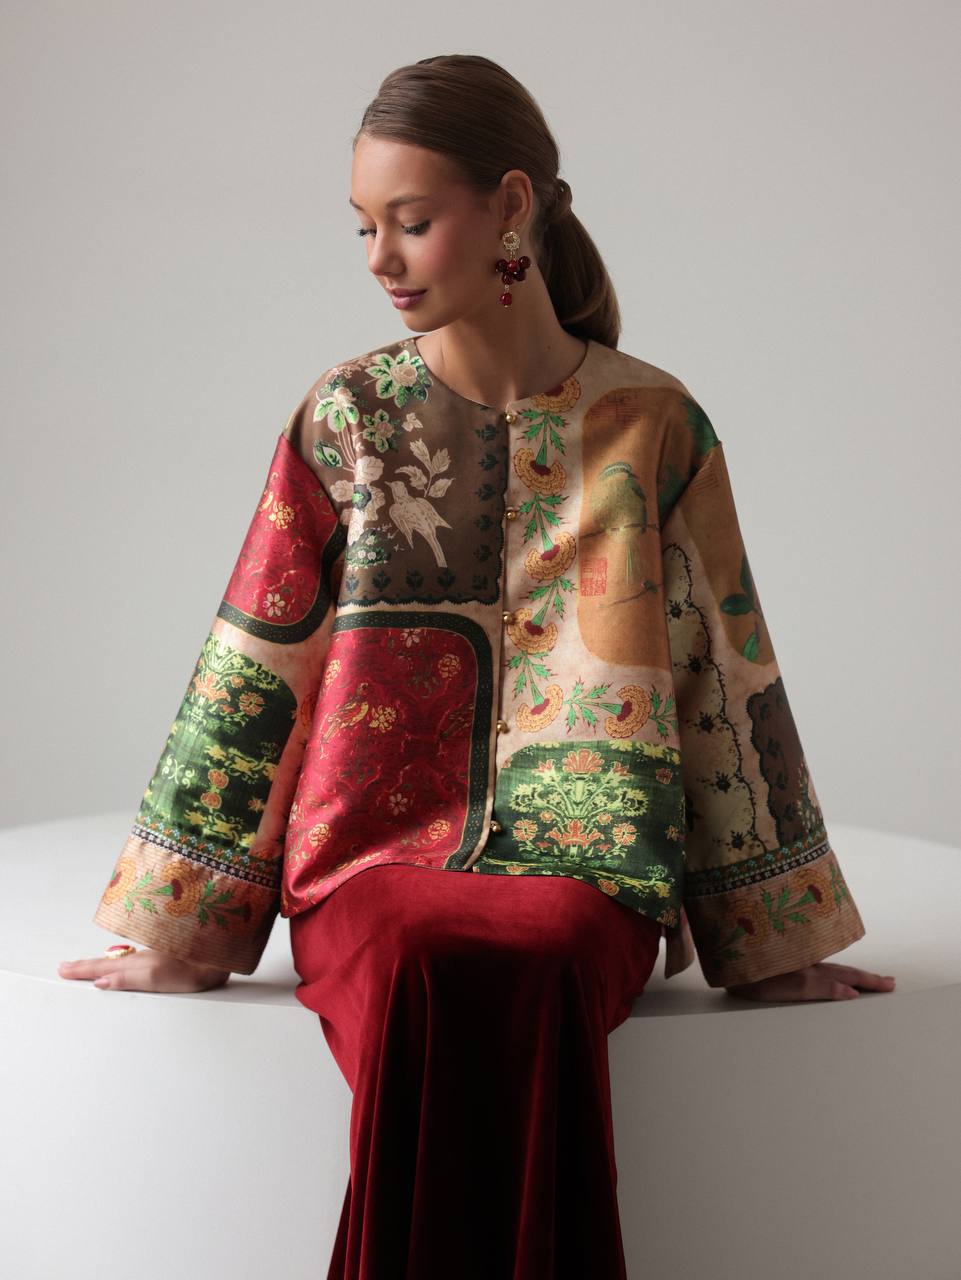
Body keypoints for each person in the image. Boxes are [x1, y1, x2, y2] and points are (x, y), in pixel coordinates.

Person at [59, 53, 896, 1279]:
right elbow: (259, 666)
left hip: (592, 862)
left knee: (542, 946)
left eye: (409, 221)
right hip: (368, 862)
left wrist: (767, 941)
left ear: (510, 207)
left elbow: (722, 673)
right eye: (362, 227)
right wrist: (185, 927)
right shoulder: (346, 417)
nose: (378, 258)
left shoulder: (654, 425)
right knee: (418, 953)